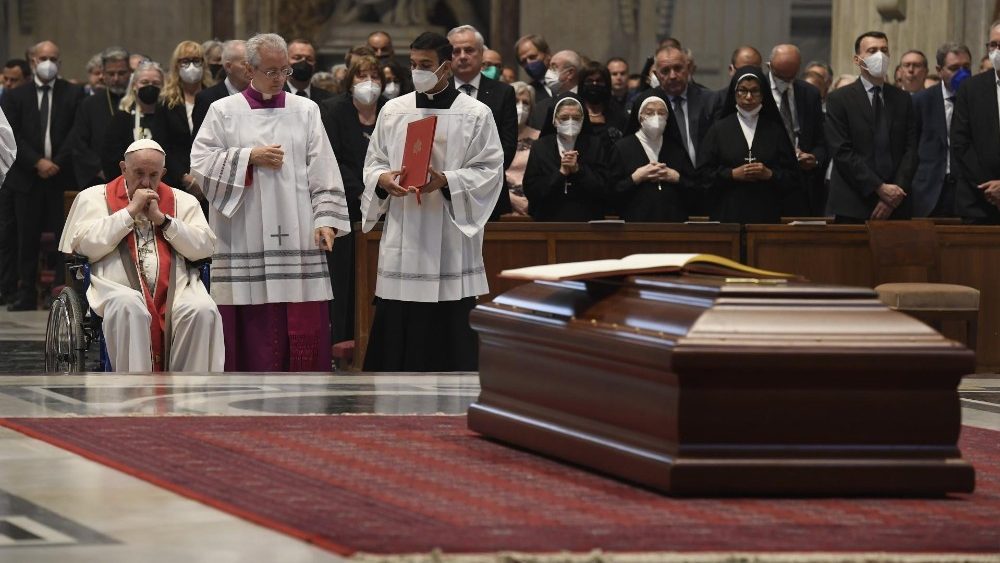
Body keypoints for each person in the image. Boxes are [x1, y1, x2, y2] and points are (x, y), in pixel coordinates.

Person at [191, 33, 350, 372]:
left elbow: (323, 169)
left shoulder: (306, 110)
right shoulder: (223, 111)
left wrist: (325, 221)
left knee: (300, 310)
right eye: (271, 71)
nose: (280, 79)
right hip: (242, 229)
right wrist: (249, 157)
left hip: (299, 228)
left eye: (285, 71)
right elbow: (201, 164)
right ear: (250, 69)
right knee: (250, 315)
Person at [360, 31, 503, 372]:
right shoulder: (394, 110)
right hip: (405, 230)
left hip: (450, 236)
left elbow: (489, 170)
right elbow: (374, 162)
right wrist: (382, 180)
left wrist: (447, 180)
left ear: (447, 64)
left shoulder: (476, 113)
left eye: (426, 65)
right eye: (413, 64)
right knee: (399, 320)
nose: (418, 71)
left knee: (449, 322)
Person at [58, 139, 223, 372]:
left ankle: (189, 399)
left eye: (154, 175)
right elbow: (85, 246)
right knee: (129, 305)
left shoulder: (183, 201)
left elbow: (205, 248)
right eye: (138, 173)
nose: (146, 182)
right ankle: (134, 396)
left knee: (201, 310)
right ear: (123, 169)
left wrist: (163, 221)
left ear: (163, 173)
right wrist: (129, 213)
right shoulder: (93, 197)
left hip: (177, 289)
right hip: (116, 286)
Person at [1, 40, 85, 311]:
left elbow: (77, 132)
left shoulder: (73, 93)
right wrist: (37, 162)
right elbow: (12, 134)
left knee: (63, 238)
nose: (48, 62)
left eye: (53, 57)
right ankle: (25, 292)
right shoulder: (15, 95)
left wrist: (55, 163)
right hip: (26, 178)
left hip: (61, 178)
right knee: (26, 238)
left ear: (59, 63)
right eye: (42, 57)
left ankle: (59, 292)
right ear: (32, 60)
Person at [319, 54, 385, 348]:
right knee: (344, 276)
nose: (368, 82)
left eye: (374, 75)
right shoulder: (333, 110)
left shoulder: (389, 111)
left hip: (385, 205)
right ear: (350, 81)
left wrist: (379, 190)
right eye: (361, 76)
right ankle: (341, 341)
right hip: (345, 206)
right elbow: (330, 158)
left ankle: (376, 337)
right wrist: (361, 190)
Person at [825, 31, 917, 222]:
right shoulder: (839, 99)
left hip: (897, 202)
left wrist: (895, 192)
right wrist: (879, 188)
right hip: (854, 201)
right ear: (858, 60)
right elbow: (841, 151)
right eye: (872, 50)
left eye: (884, 50)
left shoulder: (902, 99)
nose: (880, 56)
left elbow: (910, 149)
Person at [626, 46, 720, 216]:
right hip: (668, 193)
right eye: (665, 70)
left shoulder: (710, 101)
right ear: (655, 74)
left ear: (688, 68)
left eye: (678, 68)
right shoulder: (647, 104)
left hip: (707, 187)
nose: (673, 75)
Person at [698, 67, 799, 224]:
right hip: (727, 214)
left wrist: (769, 174)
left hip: (766, 215)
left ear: (763, 94)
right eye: (743, 91)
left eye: (755, 91)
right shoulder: (719, 129)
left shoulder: (775, 131)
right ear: (734, 92)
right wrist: (731, 174)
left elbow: (793, 177)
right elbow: (703, 174)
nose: (749, 96)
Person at [448, 24, 517, 218]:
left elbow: (508, 145)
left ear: (481, 53)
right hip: (447, 191)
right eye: (456, 51)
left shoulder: (503, 92)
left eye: (469, 50)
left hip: (490, 191)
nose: (462, 56)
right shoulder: (438, 92)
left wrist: (478, 178)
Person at [102, 62, 188, 191]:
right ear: (134, 85)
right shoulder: (121, 118)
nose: (150, 87)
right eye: (144, 82)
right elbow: (111, 156)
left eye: (156, 83)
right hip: (128, 187)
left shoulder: (172, 115)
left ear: (163, 87)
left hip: (166, 186)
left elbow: (180, 151)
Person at [523, 95, 610, 221]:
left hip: (587, 220)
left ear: (583, 120)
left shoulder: (595, 145)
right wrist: (560, 173)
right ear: (554, 120)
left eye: (576, 118)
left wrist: (578, 170)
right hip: (548, 220)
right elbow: (531, 190)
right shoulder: (540, 146)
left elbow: (605, 187)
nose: (570, 122)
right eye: (564, 118)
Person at [911, 42, 972, 218]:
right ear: (939, 70)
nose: (962, 73)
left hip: (967, 192)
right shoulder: (922, 101)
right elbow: (911, 147)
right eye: (954, 68)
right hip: (928, 190)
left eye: (966, 67)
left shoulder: (978, 100)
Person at [612, 95, 695, 222]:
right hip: (635, 226)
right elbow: (610, 191)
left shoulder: (676, 149)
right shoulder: (622, 148)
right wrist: (635, 178)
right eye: (649, 113)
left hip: (673, 226)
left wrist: (676, 177)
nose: (656, 117)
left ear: (668, 117)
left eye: (661, 113)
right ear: (640, 116)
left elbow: (696, 190)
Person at [767, 44, 827, 216]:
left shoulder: (810, 94)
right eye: (780, 77)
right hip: (769, 182)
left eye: (790, 77)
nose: (785, 83)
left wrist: (814, 159)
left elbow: (821, 141)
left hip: (802, 185)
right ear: (769, 66)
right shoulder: (757, 92)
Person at [951, 21, 1000, 224]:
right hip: (978, 200)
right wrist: (992, 189)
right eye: (993, 45)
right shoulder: (970, 89)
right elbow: (960, 142)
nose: (997, 51)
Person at [69, 46, 132, 188]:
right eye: (111, 73)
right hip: (100, 179)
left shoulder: (138, 102)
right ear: (103, 74)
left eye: (121, 73)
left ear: (130, 72)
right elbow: (80, 144)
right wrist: (100, 169)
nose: (116, 79)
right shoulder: (89, 104)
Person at [192, 40, 250, 137]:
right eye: (245, 63)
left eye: (254, 63)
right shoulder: (207, 99)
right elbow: (201, 145)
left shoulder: (264, 94)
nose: (251, 68)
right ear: (228, 66)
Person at [505, 81, 540, 216]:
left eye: (526, 103)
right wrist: (511, 199)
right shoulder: (494, 135)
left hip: (532, 207)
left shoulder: (540, 137)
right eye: (515, 101)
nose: (521, 107)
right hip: (501, 204)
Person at [578, 62, 628, 148]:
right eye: (589, 81)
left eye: (599, 81)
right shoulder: (574, 111)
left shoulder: (618, 114)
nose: (594, 84)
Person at [528, 49, 581, 130]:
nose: (548, 72)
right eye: (549, 67)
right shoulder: (540, 108)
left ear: (570, 73)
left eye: (554, 67)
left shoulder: (589, 103)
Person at [286, 38, 332, 103]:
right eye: (297, 58)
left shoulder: (329, 100)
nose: (303, 61)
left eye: (309, 59)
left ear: (314, 64)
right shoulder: (272, 97)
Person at [515, 34, 553, 104]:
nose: (528, 63)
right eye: (523, 61)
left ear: (547, 54)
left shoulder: (568, 79)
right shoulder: (529, 93)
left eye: (532, 57)